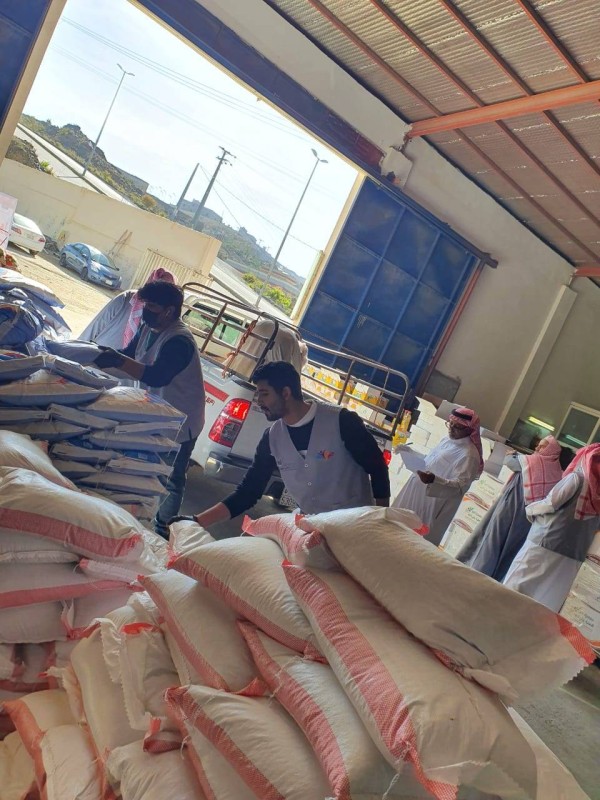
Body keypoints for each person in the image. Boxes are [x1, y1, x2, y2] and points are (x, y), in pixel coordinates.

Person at [187, 360, 390, 529]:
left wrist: (379, 522)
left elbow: (378, 468)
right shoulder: (272, 439)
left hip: (355, 526)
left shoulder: (341, 422)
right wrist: (197, 521)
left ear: (285, 393)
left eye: (264, 393)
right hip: (311, 528)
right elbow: (248, 491)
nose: (258, 401)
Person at [94, 281, 205, 538]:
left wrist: (119, 361)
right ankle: (136, 517)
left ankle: (164, 530)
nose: (145, 311)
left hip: (182, 420)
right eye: (145, 304)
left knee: (171, 478)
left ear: (168, 311)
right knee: (142, 466)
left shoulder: (180, 341)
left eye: (151, 306)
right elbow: (130, 354)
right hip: (156, 412)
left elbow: (157, 376)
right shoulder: (148, 327)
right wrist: (97, 358)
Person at [456, 436, 573, 580]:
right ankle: (495, 578)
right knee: (511, 547)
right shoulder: (557, 473)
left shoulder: (534, 461)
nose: (537, 448)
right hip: (528, 518)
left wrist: (510, 454)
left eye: (542, 446)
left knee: (493, 538)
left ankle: (478, 571)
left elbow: (510, 462)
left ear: (551, 451)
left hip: (510, 506)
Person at [503, 443, 600, 612]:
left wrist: (529, 511)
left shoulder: (577, 479)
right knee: (546, 600)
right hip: (574, 554)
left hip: (544, 542)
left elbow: (551, 503)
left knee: (514, 588)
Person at [392, 406, 483, 546]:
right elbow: (430, 462)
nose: (451, 429)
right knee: (394, 530)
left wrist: (434, 480)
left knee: (410, 542)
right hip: (415, 493)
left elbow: (459, 486)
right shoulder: (447, 440)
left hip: (433, 504)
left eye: (457, 427)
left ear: (469, 430)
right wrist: (409, 452)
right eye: (450, 424)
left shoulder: (469, 455)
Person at [79, 267, 175, 348]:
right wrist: (76, 352)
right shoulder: (126, 299)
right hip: (96, 357)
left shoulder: (164, 322)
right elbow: (95, 327)